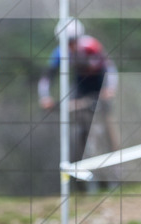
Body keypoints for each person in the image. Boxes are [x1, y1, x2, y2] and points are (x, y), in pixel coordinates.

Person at [37, 19, 119, 159]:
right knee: (77, 121)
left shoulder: (92, 46)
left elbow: (109, 68)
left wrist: (110, 88)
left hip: (99, 84)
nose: (70, 45)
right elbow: (47, 77)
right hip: (81, 85)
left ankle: (115, 158)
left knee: (107, 121)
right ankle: (80, 159)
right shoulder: (60, 52)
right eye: (66, 42)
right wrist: (45, 96)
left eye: (72, 41)